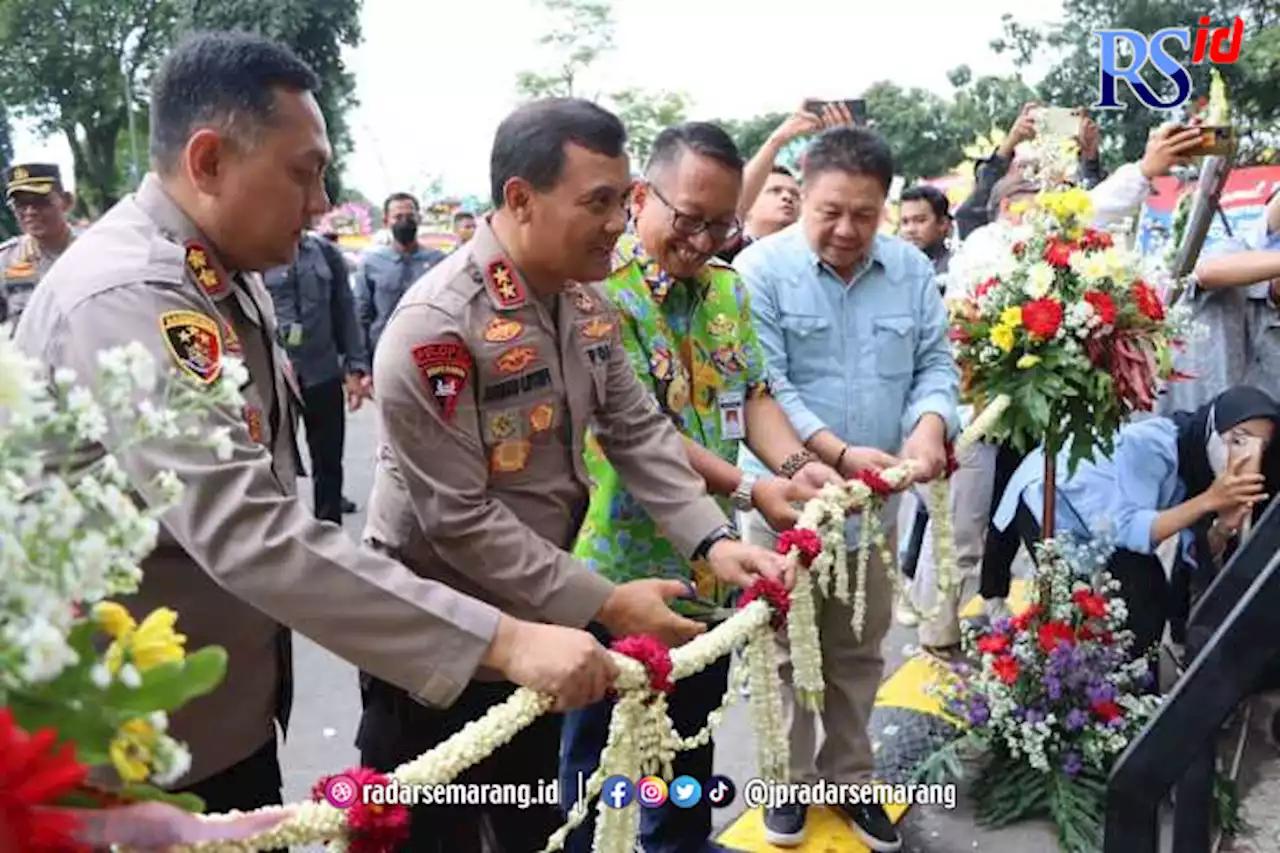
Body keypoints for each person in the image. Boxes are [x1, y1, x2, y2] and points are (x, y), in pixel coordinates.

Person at [13, 31, 617, 820]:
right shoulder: (131, 295)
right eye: (304, 172)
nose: (323, 203)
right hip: (126, 756)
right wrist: (503, 640)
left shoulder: (219, 275)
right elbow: (251, 530)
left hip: (204, 721)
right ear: (208, 161)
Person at [361, 99, 790, 853]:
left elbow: (636, 430)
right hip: (436, 642)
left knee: (537, 823)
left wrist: (714, 542)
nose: (617, 223)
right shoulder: (438, 326)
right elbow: (456, 517)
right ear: (521, 198)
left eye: (621, 201)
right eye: (598, 202)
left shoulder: (584, 302)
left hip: (541, 625)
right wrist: (607, 603)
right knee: (436, 834)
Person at [560, 122, 856, 853]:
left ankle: (679, 841)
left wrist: (794, 468)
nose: (700, 240)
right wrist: (754, 488)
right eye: (686, 219)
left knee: (689, 733)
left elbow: (752, 394)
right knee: (598, 753)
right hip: (613, 569)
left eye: (719, 224)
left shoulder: (727, 288)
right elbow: (639, 430)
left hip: (711, 563)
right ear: (640, 198)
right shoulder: (597, 292)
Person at [736, 125, 960, 852]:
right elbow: (764, 384)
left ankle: (850, 776)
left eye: (864, 214)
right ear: (802, 194)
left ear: (886, 207)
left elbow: (935, 364)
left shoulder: (910, 271)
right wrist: (832, 451)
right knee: (785, 652)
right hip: (789, 510)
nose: (846, 229)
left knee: (859, 649)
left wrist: (929, 425)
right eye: (830, 210)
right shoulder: (759, 271)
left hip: (875, 508)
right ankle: (787, 783)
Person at [991, 385, 1280, 655]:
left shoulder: (1201, 467)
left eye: (1261, 447)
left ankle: (1136, 691)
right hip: (1054, 496)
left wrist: (1224, 527)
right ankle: (1073, 693)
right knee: (1074, 608)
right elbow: (1133, 530)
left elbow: (1195, 554)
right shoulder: (1156, 446)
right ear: (1213, 430)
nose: (1246, 455)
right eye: (1238, 439)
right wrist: (1209, 501)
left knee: (1146, 593)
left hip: (1106, 521)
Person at [264, 230, 371, 522]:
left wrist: (354, 366)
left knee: (328, 461)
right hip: (275, 375)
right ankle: (278, 535)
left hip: (321, 371)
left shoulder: (325, 253)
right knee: (272, 461)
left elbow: (344, 310)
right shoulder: (258, 247)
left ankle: (329, 531)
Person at [355, 192, 444, 360]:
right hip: (383, 354)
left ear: (419, 218)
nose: (405, 221)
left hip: (428, 353)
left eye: (410, 216)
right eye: (398, 217)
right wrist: (361, 364)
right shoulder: (371, 264)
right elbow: (361, 315)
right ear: (386, 221)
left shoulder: (439, 262)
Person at [0, 163, 75, 327]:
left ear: (67, 201)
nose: (30, 212)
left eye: (41, 202)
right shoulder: (5, 261)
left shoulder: (94, 250)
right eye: (20, 205)